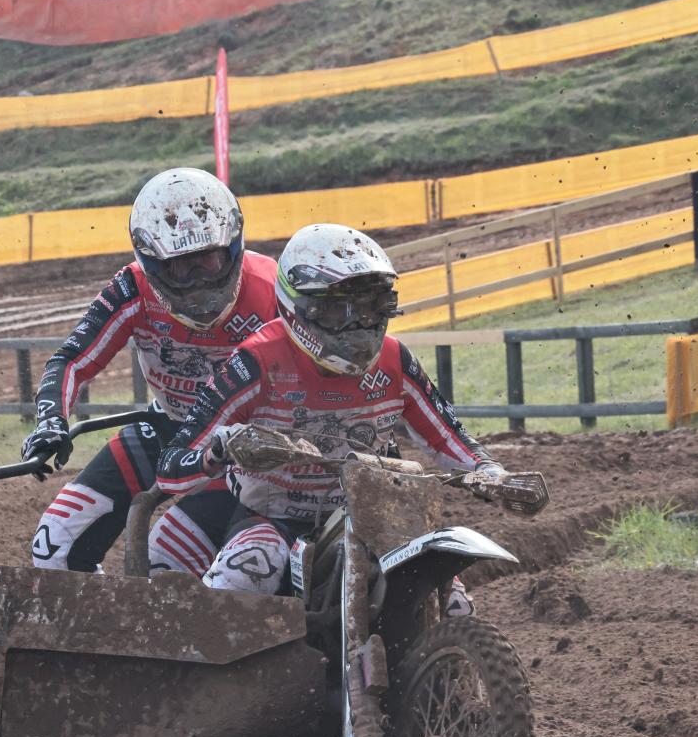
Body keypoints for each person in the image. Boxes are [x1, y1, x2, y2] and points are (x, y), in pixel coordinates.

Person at [155, 223, 504, 611]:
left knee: (453, 602)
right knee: (246, 572)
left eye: (371, 308)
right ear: (301, 307)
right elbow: (171, 465)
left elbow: (447, 436)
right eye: (340, 311)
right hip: (274, 520)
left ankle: (453, 646)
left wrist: (490, 472)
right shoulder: (256, 361)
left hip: (376, 515)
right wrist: (213, 454)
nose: (358, 325)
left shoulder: (394, 360)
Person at [21, 167, 278, 573]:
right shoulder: (132, 287)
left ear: (232, 246)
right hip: (168, 426)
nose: (197, 282)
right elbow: (71, 359)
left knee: (167, 558)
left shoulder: (272, 290)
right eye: (180, 268)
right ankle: (102, 618)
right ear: (152, 264)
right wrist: (51, 421)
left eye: (208, 261)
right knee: (54, 543)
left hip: (247, 449)